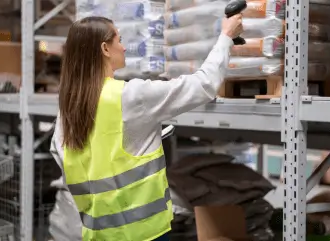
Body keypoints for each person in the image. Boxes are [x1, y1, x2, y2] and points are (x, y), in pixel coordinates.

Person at [50, 14, 243, 241]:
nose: (123, 47)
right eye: (119, 40)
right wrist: (226, 36)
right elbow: (202, 85)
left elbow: (63, 155)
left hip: (98, 235)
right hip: (144, 235)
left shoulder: (68, 108)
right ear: (105, 48)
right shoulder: (130, 96)